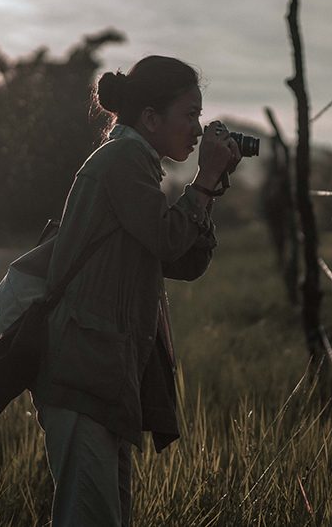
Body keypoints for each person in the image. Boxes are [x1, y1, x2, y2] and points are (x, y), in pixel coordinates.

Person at [32, 55, 241, 526]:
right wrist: (204, 180)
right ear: (150, 118)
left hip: (102, 371)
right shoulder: (123, 161)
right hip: (85, 371)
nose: (197, 129)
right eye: (190, 115)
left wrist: (212, 185)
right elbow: (169, 239)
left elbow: (184, 260)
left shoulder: (137, 166)